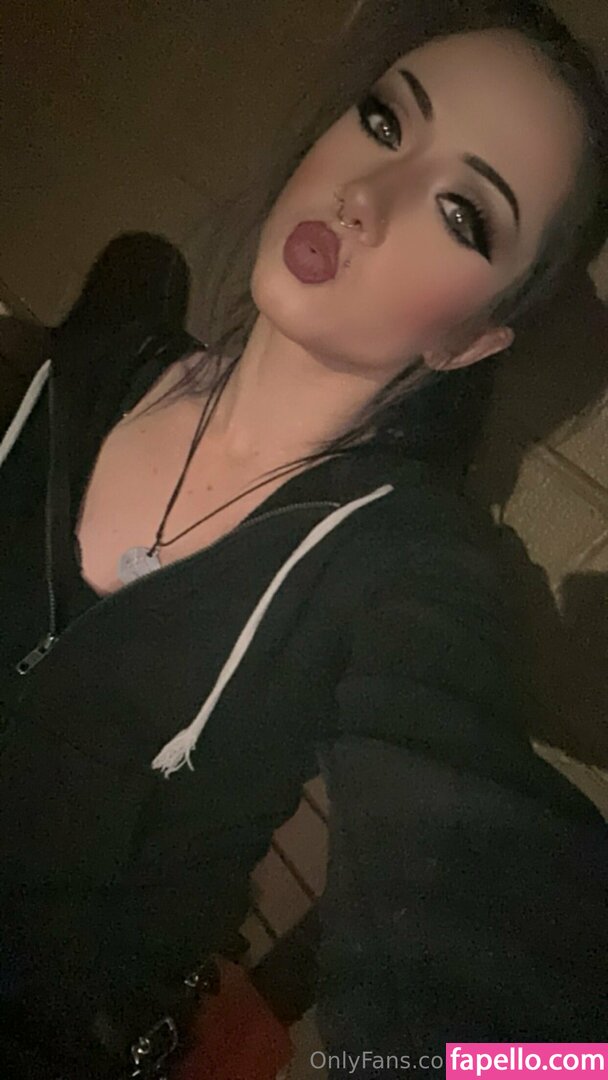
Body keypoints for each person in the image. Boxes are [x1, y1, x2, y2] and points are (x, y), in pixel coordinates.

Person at [1, 1, 607, 1076]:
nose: (364, 198)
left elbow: (508, 1009)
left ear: (472, 339)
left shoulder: (402, 566)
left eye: (462, 213)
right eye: (384, 121)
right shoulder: (90, 355)